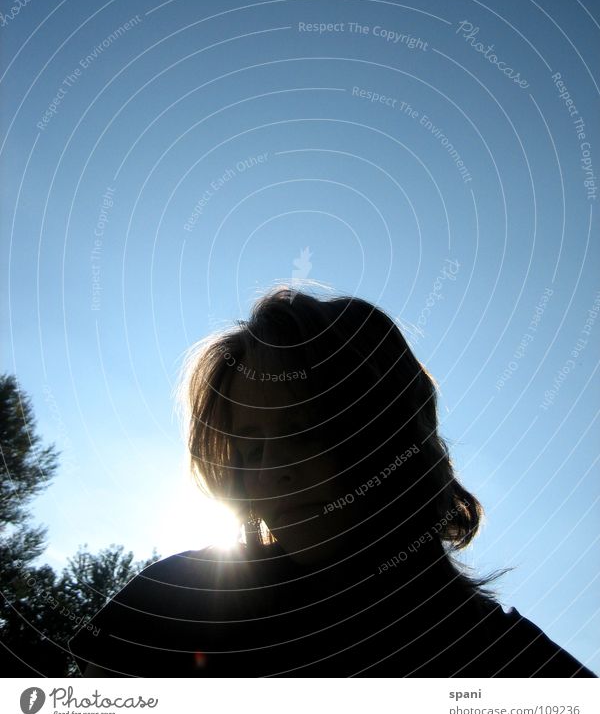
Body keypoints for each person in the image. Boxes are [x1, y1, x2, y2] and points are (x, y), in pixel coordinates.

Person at [69, 286, 596, 677]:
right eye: (250, 449)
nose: (272, 473)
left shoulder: (513, 669)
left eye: (303, 430)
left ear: (389, 432)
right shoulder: (175, 605)